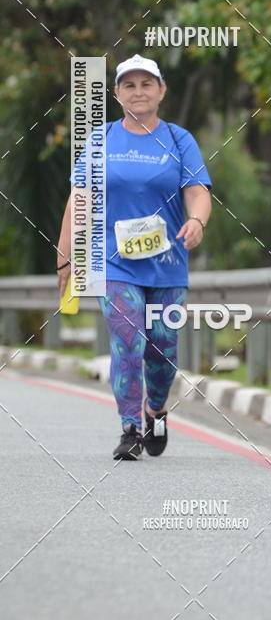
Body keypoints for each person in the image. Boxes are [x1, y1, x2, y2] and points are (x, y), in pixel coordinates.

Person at [56, 54, 212, 460]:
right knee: (127, 339)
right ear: (116, 93)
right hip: (115, 263)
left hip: (167, 267)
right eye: (129, 85)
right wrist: (66, 256)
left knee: (163, 345)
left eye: (147, 84)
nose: (138, 92)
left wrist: (196, 220)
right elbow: (79, 198)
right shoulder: (100, 140)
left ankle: (156, 411)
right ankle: (129, 427)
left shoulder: (179, 140)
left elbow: (197, 190)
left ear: (161, 91)